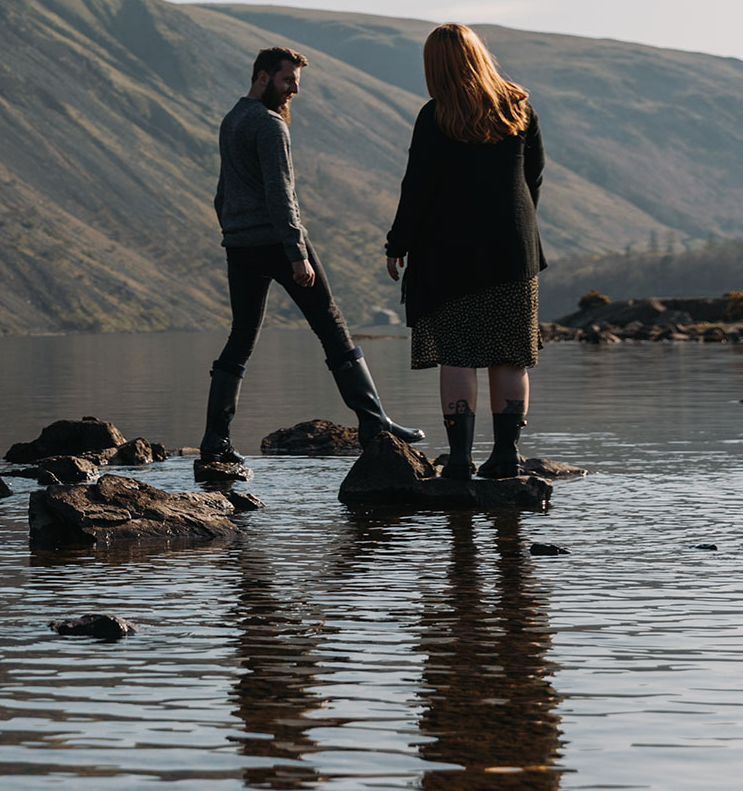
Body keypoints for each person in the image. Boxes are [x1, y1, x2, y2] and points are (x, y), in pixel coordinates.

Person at [199, 46, 422, 475]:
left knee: (241, 336)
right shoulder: (268, 125)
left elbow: (222, 192)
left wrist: (232, 231)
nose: (292, 92)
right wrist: (297, 254)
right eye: (287, 82)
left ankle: (215, 442)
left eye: (297, 85)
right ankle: (375, 425)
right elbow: (282, 196)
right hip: (278, 242)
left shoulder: (232, 119)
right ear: (263, 77)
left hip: (240, 245)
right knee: (331, 326)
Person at [383, 24, 546, 480]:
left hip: (448, 251)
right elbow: (533, 178)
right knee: (510, 354)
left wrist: (398, 244)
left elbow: (417, 187)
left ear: (436, 66)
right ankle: (507, 456)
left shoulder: (436, 115)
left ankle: (458, 459)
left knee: (457, 354)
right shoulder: (519, 109)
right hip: (513, 249)